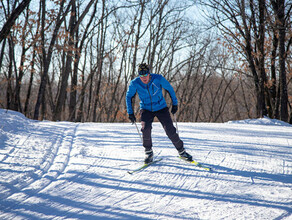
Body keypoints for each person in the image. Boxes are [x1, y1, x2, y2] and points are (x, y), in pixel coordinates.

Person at [126, 63, 193, 164]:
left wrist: (175, 104)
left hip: (161, 107)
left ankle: (182, 151)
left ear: (149, 74)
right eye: (141, 75)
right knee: (145, 129)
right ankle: (148, 152)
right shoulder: (135, 83)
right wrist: (130, 112)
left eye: (145, 75)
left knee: (170, 130)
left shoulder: (158, 78)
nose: (144, 78)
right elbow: (129, 96)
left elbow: (170, 89)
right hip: (146, 108)